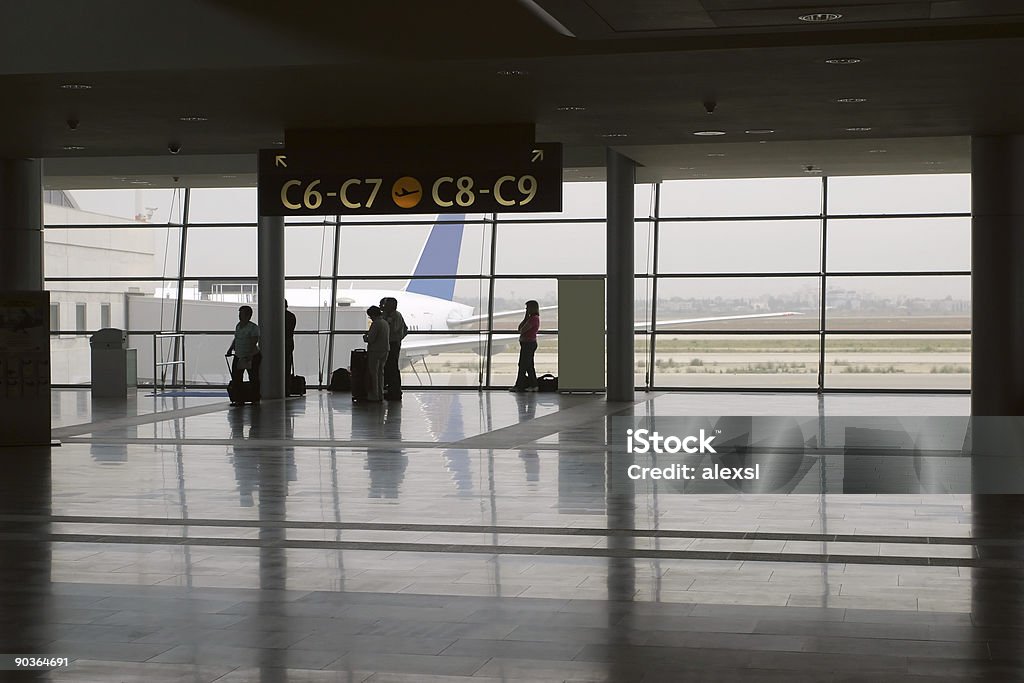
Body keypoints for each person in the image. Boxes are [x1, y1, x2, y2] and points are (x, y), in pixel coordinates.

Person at [225, 305, 260, 405]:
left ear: (248, 315)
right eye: (239, 314)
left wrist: (249, 355)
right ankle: (239, 399)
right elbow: (236, 339)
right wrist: (230, 349)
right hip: (239, 355)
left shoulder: (253, 327)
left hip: (251, 356)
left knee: (253, 377)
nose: (240, 316)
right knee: (236, 378)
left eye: (242, 314)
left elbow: (254, 341)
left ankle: (255, 399)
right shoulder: (238, 326)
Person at [380, 296, 408, 400]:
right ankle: (393, 390)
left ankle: (393, 391)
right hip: (394, 343)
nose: (383, 307)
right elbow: (405, 330)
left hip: (391, 344)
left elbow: (390, 330)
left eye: (384, 305)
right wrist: (399, 339)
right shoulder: (398, 315)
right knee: (392, 368)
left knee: (391, 368)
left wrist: (394, 339)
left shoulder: (392, 316)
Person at [362, 305, 390, 403]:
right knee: (380, 373)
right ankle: (380, 394)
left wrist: (365, 337)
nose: (371, 318)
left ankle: (374, 395)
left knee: (373, 373)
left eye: (370, 316)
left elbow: (371, 339)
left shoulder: (376, 324)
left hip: (375, 351)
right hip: (385, 350)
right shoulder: (385, 323)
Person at [512, 300, 540, 392]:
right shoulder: (530, 318)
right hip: (526, 344)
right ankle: (533, 385)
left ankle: (520, 385)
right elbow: (519, 328)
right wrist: (525, 317)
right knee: (528, 365)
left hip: (529, 344)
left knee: (523, 365)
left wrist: (526, 318)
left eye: (528, 308)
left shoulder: (533, 319)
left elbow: (522, 330)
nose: (526, 309)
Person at [284, 299, 297, 378]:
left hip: (282, 344)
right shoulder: (291, 316)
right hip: (288, 344)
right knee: (287, 367)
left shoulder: (275, 317)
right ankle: (286, 388)